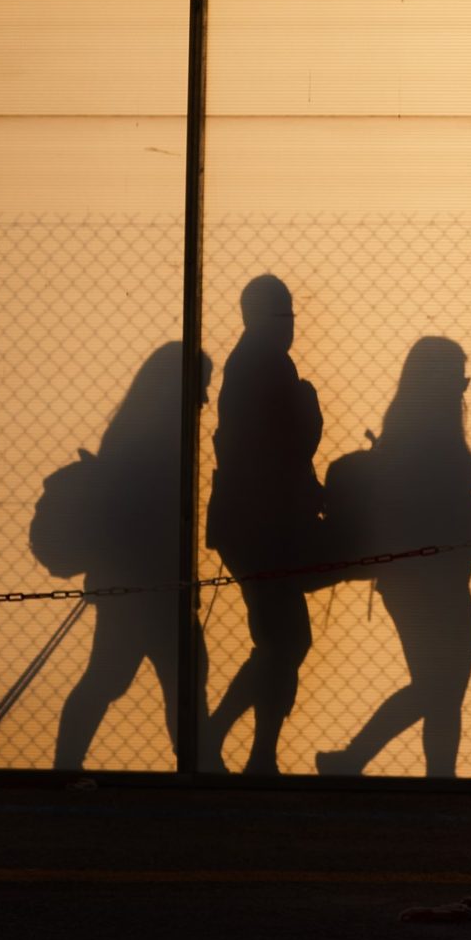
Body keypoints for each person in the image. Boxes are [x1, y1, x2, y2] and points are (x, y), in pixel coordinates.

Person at [316, 338, 471, 779]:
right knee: (441, 688)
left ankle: (417, 774)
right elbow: (428, 504)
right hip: (426, 579)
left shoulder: (413, 430)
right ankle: (361, 761)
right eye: (459, 378)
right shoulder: (426, 436)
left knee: (441, 688)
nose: (463, 388)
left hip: (423, 579)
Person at [53, 342, 209, 771]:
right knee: (178, 678)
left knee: (115, 678)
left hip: (134, 584)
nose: (205, 400)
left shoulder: (131, 434)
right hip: (149, 587)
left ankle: (67, 764)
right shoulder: (158, 442)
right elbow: (153, 519)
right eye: (201, 387)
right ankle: (200, 766)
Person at [203, 275, 327, 775]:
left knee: (281, 639)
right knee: (286, 640)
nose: (291, 326)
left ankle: (254, 751)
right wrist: (310, 410)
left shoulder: (251, 360)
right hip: (262, 526)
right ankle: (235, 742)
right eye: (285, 315)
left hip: (249, 523)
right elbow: (288, 445)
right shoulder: (267, 363)